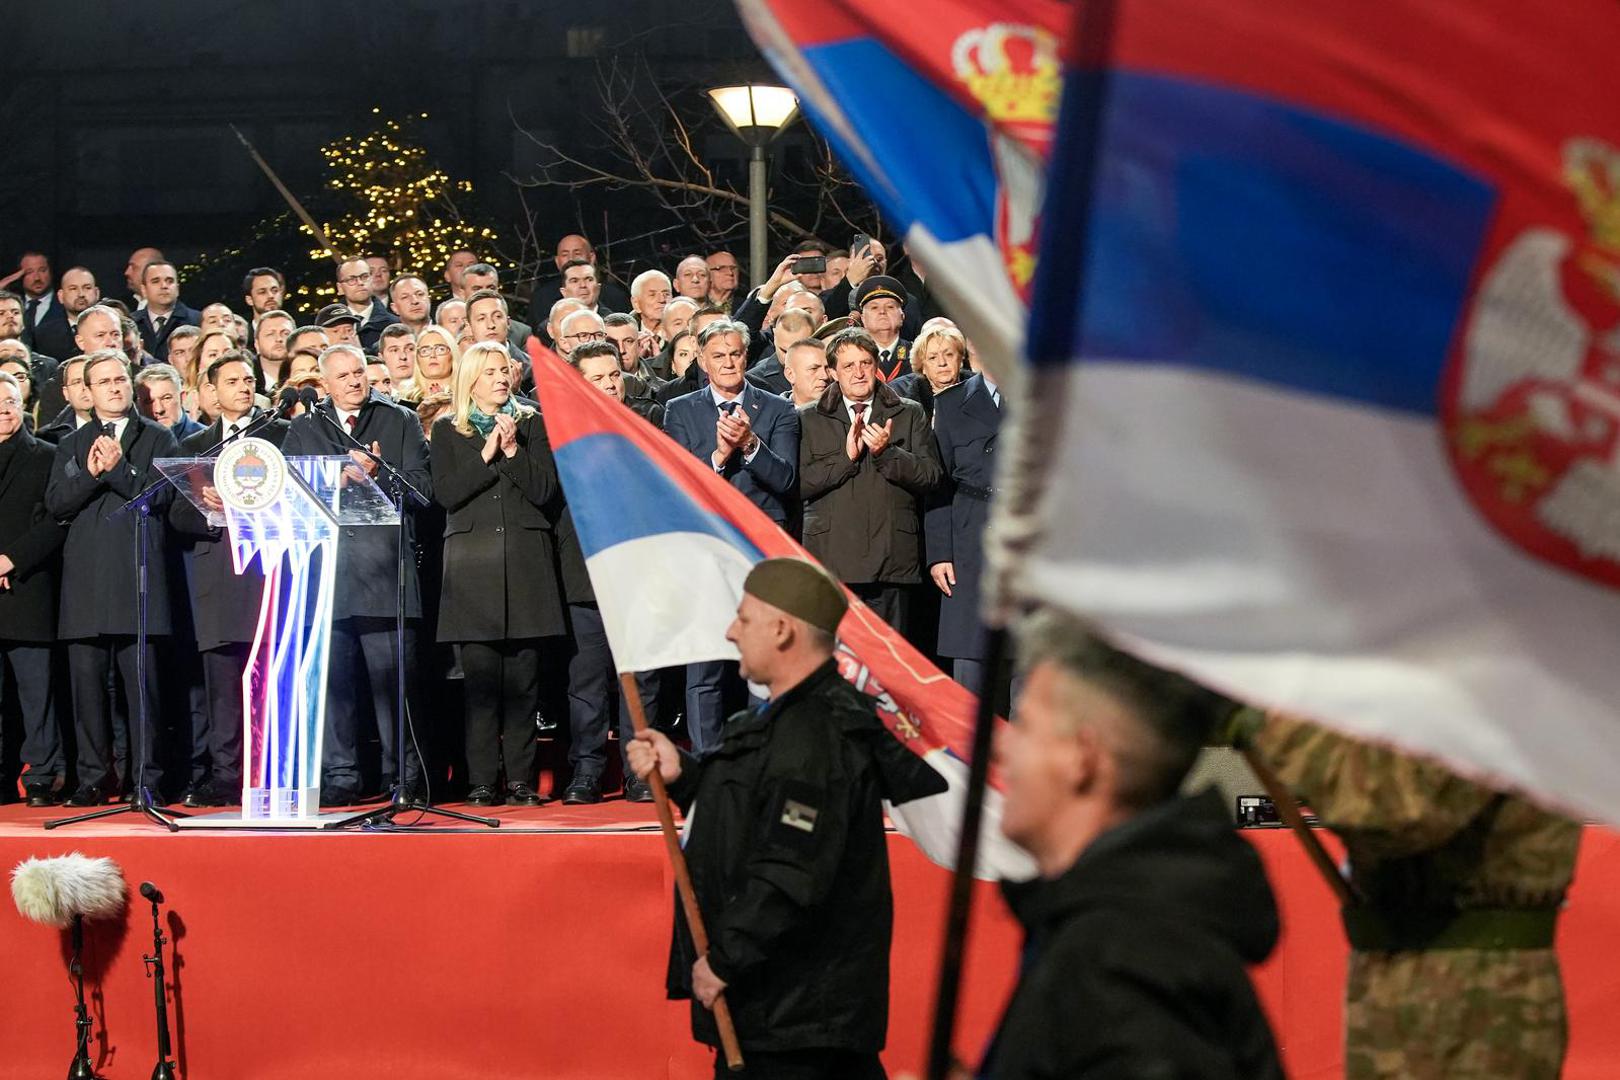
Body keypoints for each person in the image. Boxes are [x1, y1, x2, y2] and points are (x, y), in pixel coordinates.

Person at [626, 557, 945, 1080]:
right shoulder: (785, 720)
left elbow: (793, 869)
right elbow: (752, 818)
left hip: (796, 1023)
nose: (731, 632)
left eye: (743, 618)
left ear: (781, 630)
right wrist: (684, 776)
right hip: (779, 1016)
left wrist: (724, 961)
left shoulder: (816, 734)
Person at [977, 609, 1284, 1079]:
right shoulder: (1120, 933)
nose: (1003, 747)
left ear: (1083, 758)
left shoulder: (1122, 965)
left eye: (1027, 726)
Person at [1220, 708, 1581, 1078]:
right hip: (1431, 978)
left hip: (1461, 996)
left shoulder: (1479, 691)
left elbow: (1396, 811)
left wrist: (1272, 726)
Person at [282, 343, 433, 806]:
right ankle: (341, 777)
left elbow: (423, 489)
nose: (354, 381)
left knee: (394, 689)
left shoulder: (399, 420)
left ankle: (402, 778)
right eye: (343, 376)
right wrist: (337, 480)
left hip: (384, 575)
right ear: (325, 385)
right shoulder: (305, 427)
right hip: (326, 575)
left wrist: (375, 474)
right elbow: (289, 494)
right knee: (334, 689)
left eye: (359, 373)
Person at [430, 341, 563, 807]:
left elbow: (546, 490)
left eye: (504, 370)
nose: (501, 378)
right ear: (471, 380)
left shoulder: (533, 423)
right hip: (473, 571)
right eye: (489, 372)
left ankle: (521, 780)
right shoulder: (447, 428)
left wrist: (513, 452)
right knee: (481, 686)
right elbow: (446, 493)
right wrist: (487, 453)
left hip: (525, 565)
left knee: (524, 683)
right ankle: (483, 781)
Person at [46, 349, 182, 805]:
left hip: (136, 577)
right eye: (104, 382)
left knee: (144, 690)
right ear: (88, 391)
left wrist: (119, 469)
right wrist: (90, 473)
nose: (115, 388)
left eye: (120, 379)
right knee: (87, 691)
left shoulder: (158, 436)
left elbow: (162, 498)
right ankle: (92, 779)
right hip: (85, 581)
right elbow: (57, 504)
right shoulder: (72, 442)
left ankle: (146, 780)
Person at [664, 319, 800, 752]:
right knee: (705, 664)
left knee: (762, 660)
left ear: (746, 356)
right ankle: (708, 762)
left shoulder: (777, 408)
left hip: (761, 551)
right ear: (703, 361)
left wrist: (750, 445)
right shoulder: (679, 410)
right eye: (718, 356)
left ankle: (760, 758)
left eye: (735, 354)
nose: (728, 362)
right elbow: (677, 485)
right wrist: (720, 456)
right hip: (705, 550)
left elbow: (786, 479)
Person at [166, 351, 288, 808]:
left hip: (269, 572)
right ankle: (226, 775)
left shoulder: (282, 435)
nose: (243, 386)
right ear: (211, 392)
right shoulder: (194, 446)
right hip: (217, 574)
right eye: (232, 380)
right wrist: (209, 509)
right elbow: (177, 515)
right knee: (221, 684)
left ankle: (272, 771)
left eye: (249, 379)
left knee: (270, 680)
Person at [799, 327, 942, 634]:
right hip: (831, 560)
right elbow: (798, 484)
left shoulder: (908, 413)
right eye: (848, 365)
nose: (859, 372)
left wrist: (887, 453)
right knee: (836, 656)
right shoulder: (808, 418)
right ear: (833, 372)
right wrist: (845, 458)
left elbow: (931, 477)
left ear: (876, 365)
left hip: (892, 561)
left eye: (865, 363)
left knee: (890, 656)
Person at [0, 371, 68, 805]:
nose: (4, 411)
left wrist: (11, 559)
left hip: (28, 589)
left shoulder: (47, 455)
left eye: (10, 402)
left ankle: (43, 773)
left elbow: (57, 520)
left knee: (36, 692)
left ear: (22, 404)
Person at [926, 362, 1005, 702]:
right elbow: (938, 485)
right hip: (968, 537)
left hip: (1025, 540)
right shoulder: (949, 403)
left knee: (1026, 659)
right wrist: (940, 554)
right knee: (969, 655)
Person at [889, 321, 966, 422]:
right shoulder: (900, 396)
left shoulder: (981, 389)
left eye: (949, 355)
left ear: (960, 360)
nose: (942, 363)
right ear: (922, 367)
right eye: (932, 358)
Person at [132, 259, 200, 363]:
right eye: (156, 281)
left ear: (177, 288)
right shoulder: (132, 323)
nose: (164, 286)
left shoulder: (197, 320)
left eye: (170, 281)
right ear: (144, 290)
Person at [32, 266, 100, 362]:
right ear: (61, 296)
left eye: (87, 288)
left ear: (97, 293)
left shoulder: (111, 327)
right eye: (73, 289)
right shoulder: (43, 335)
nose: (81, 294)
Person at [334, 258, 400, 352]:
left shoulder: (394, 325)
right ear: (340, 288)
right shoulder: (329, 326)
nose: (360, 283)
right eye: (351, 279)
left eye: (364, 277)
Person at [135, 363, 205, 440]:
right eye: (149, 402)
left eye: (166, 398)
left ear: (182, 397)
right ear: (139, 405)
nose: (159, 409)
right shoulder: (132, 442)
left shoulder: (208, 440)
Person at [411, 325, 460, 400]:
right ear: (417, 359)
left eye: (440, 349)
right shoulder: (403, 398)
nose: (432, 355)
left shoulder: (467, 396)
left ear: (453, 354)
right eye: (425, 350)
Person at [252, 310, 296, 392]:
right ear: (257, 344)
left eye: (286, 333)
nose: (279, 339)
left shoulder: (307, 375)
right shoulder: (244, 376)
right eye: (270, 334)